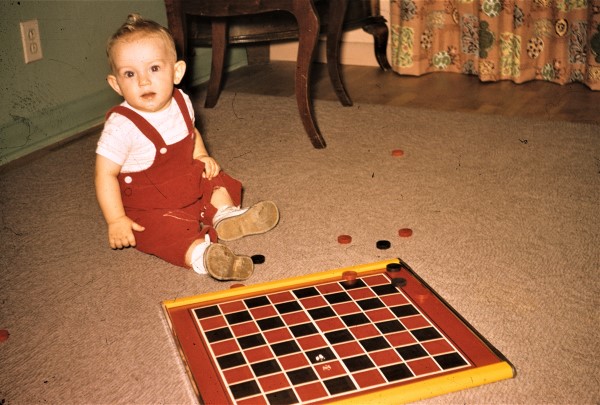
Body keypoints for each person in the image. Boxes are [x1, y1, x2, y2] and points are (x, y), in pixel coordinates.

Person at [94, 14, 279, 280]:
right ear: (116, 84)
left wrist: (201, 155)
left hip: (185, 183)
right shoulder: (121, 127)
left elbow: (190, 133)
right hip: (152, 207)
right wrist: (116, 220)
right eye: (130, 74)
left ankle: (226, 216)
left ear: (177, 72)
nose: (143, 81)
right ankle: (203, 256)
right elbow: (105, 174)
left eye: (154, 69)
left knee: (216, 179)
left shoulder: (181, 100)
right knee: (163, 233)